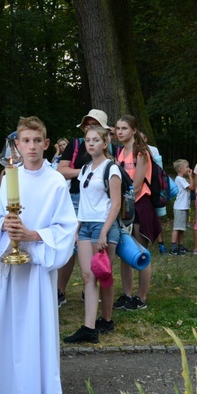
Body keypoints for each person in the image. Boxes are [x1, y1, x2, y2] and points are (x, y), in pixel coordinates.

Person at [0, 116, 77, 394]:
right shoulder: (12, 177)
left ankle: (35, 393)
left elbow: (66, 228)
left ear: (46, 144)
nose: (32, 146)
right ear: (17, 145)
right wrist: (5, 228)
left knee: (33, 332)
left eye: (37, 141)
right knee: (3, 331)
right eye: (26, 141)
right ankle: (4, 393)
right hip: (9, 269)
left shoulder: (55, 183)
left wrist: (32, 235)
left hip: (35, 270)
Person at [63, 125, 121, 344]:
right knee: (88, 275)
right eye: (88, 140)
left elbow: (115, 204)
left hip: (102, 226)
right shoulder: (86, 168)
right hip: (85, 225)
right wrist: (77, 227)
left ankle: (105, 319)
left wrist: (105, 231)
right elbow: (85, 202)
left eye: (96, 140)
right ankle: (89, 328)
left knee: (102, 275)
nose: (91, 143)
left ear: (105, 144)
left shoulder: (111, 169)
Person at [56, 109, 114, 307]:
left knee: (96, 247)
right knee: (70, 246)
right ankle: (59, 290)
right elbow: (60, 171)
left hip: (100, 202)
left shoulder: (109, 151)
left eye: (94, 123)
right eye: (87, 123)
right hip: (75, 199)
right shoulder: (74, 145)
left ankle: (89, 289)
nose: (90, 126)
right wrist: (85, 172)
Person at [114, 115, 161, 311]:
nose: (119, 132)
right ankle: (127, 295)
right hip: (124, 206)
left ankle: (140, 298)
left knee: (141, 252)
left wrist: (121, 197)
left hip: (140, 205)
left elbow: (138, 183)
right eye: (117, 128)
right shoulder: (120, 153)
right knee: (126, 252)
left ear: (134, 131)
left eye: (124, 128)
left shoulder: (141, 152)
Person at [169, 159, 195, 255]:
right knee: (177, 227)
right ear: (180, 169)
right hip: (180, 207)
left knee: (181, 228)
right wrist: (191, 176)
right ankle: (173, 248)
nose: (188, 169)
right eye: (187, 167)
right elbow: (191, 187)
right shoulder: (179, 179)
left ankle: (180, 246)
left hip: (184, 206)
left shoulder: (181, 179)